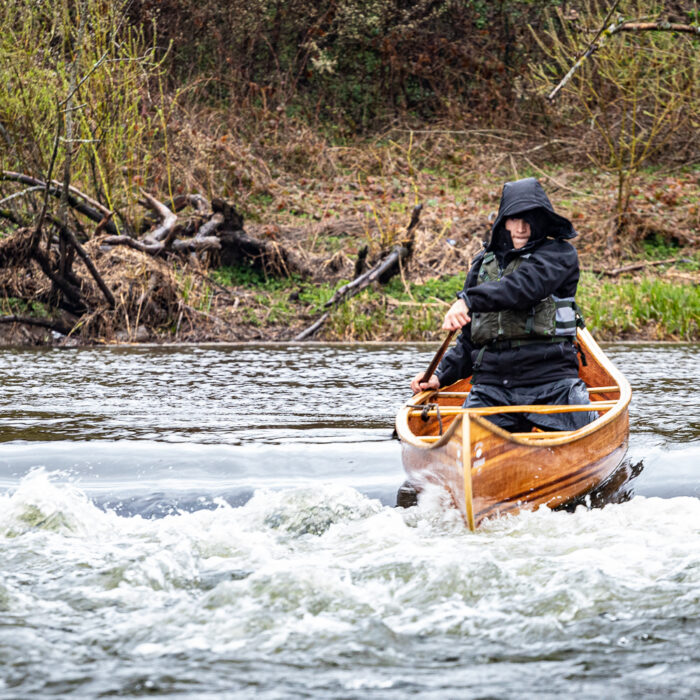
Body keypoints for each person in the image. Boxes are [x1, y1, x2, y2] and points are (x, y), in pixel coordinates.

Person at [410, 177, 597, 432]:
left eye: (528, 219)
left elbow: (523, 288)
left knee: (585, 432)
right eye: (514, 219)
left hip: (552, 383)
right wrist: (440, 375)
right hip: (492, 388)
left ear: (541, 220)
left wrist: (468, 300)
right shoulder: (482, 264)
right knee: (458, 439)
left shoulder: (560, 256)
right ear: (504, 222)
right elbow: (469, 339)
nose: (521, 227)